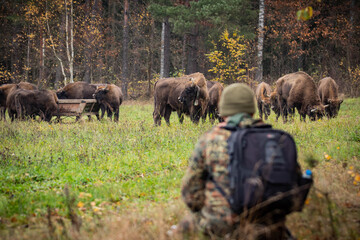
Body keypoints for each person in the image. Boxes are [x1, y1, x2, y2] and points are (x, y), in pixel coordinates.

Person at [172, 83, 296, 239]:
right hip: (269, 230)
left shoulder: (210, 140)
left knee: (180, 229)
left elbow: (190, 195)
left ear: (224, 111)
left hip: (219, 228)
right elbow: (295, 194)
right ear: (252, 110)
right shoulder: (279, 140)